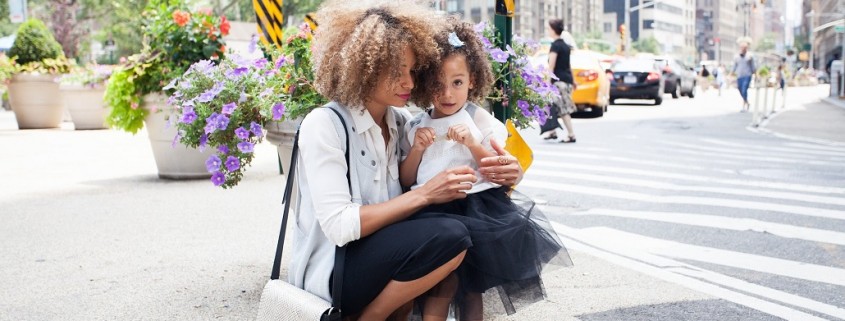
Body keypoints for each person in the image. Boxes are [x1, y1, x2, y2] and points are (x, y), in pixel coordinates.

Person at [290, 2, 525, 320]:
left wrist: (512, 171)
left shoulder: (401, 122)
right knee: (450, 235)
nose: (410, 84)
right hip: (336, 270)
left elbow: (474, 157)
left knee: (455, 233)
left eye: (413, 72)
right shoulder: (324, 124)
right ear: (364, 67)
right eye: (396, 73)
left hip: (386, 254)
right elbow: (340, 226)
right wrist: (426, 194)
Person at [404, 18, 571, 321]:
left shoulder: (480, 121)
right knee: (439, 284)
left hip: (477, 212)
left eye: (457, 83)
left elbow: (495, 169)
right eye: (438, 84)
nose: (448, 94)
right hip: (430, 213)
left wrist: (472, 143)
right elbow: (407, 178)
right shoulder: (417, 125)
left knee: (472, 289)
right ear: (426, 84)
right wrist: (416, 149)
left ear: (473, 80)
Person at [543, 19, 577, 143]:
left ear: (553, 30)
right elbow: (568, 65)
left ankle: (571, 134)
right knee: (553, 106)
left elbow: (551, 67)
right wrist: (573, 81)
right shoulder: (565, 46)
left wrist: (547, 84)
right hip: (566, 80)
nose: (548, 30)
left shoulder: (555, 45)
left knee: (562, 108)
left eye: (549, 28)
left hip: (558, 82)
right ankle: (552, 131)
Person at [732, 42, 756, 112]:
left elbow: (753, 66)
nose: (743, 49)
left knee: (744, 89)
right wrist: (731, 73)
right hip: (739, 76)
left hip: (747, 75)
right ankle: (747, 102)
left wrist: (755, 74)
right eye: (742, 47)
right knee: (740, 89)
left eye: (744, 48)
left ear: (747, 48)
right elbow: (734, 66)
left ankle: (744, 105)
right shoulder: (736, 57)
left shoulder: (750, 56)